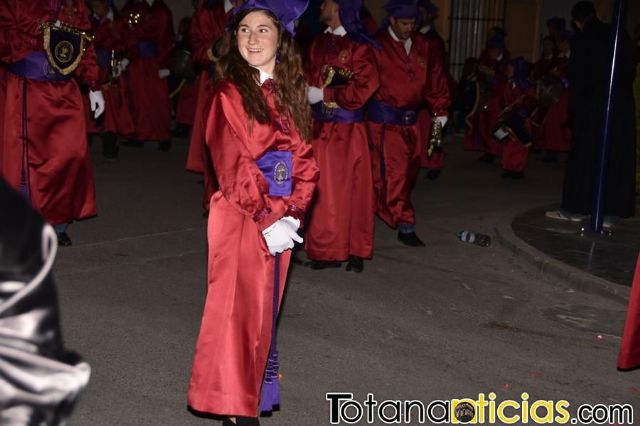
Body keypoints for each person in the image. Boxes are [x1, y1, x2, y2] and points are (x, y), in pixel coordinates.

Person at [187, 1, 318, 425]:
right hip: (243, 212)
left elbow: (305, 158)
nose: (252, 38)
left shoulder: (287, 90)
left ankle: (251, 395)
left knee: (263, 311)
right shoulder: (229, 92)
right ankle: (234, 406)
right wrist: (266, 218)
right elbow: (231, 162)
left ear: (281, 39)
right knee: (235, 311)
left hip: (279, 215)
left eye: (263, 30)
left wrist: (295, 212)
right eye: (244, 30)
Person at [0, 0, 105, 246]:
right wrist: (45, 28)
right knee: (28, 162)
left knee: (70, 156)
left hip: (64, 89)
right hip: (27, 87)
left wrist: (93, 85)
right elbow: (6, 31)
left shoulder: (74, 2)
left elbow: (84, 41)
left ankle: (57, 221)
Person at [303, 0, 379, 272]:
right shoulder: (317, 43)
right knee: (324, 192)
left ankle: (355, 248)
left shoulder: (359, 45)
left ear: (337, 7)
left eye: (326, 2)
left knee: (353, 190)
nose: (321, 5)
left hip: (347, 131)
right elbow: (311, 77)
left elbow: (366, 86)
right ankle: (326, 249)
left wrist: (325, 94)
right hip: (320, 128)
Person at [367, 0, 450, 247]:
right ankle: (405, 223)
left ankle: (380, 209)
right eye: (404, 23)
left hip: (413, 124)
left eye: (412, 23)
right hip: (385, 125)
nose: (408, 28)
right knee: (394, 175)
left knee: (410, 172)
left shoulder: (424, 45)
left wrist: (440, 111)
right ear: (392, 20)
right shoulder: (377, 45)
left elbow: (436, 79)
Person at [546, 1, 636, 226]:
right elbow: (629, 68)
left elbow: (579, 78)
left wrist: (574, 112)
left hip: (592, 109)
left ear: (577, 22)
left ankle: (576, 208)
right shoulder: (617, 33)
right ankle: (611, 211)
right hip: (620, 108)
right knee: (614, 157)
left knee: (585, 158)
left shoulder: (584, 40)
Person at [185, 0, 244, 212]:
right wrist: (216, 50)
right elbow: (197, 50)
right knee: (217, 144)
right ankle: (215, 202)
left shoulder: (253, 7)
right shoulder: (207, 13)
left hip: (247, 86)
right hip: (216, 84)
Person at [120, 0, 174, 151]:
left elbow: (167, 37)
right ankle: (140, 134)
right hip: (137, 61)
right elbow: (126, 33)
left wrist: (165, 64)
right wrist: (127, 55)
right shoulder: (132, 7)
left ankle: (164, 136)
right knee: (138, 99)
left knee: (158, 99)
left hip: (155, 62)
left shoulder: (162, 11)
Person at [86, 0, 136, 161]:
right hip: (92, 68)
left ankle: (110, 144)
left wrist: (124, 61)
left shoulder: (119, 22)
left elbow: (131, 44)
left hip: (112, 70)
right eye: (93, 6)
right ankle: (85, 141)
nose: (96, 9)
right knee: (87, 106)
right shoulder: (88, 21)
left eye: (99, 5)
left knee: (112, 107)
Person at [416, 0, 449, 179]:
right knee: (419, 129)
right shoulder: (412, 36)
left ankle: (435, 162)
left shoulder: (435, 41)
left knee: (434, 128)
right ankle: (420, 159)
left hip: (431, 90)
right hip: (416, 91)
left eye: (423, 12)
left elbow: (438, 69)